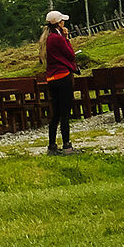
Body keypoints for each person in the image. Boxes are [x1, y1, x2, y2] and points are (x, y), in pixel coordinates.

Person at [42, 10, 78, 155]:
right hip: (63, 76)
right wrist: (67, 38)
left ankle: (52, 145)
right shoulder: (58, 38)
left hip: (52, 79)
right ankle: (67, 145)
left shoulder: (48, 38)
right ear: (58, 23)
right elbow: (70, 54)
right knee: (64, 113)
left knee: (55, 113)